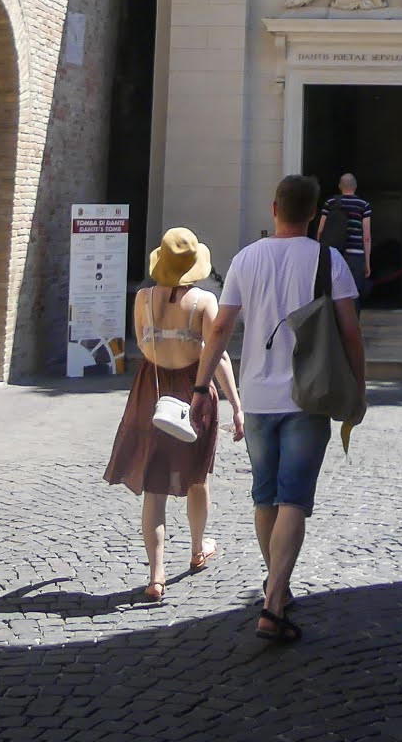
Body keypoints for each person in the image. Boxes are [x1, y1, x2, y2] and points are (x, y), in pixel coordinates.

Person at [193, 174, 365, 643]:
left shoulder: (247, 258)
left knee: (265, 495)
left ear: (274, 208)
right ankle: (273, 602)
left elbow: (221, 329)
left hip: (257, 398)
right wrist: (359, 385)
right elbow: (350, 331)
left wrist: (200, 386)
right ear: (313, 215)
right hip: (309, 396)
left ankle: (277, 587)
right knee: (294, 499)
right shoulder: (328, 260)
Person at [104, 227, 242, 601]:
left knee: (155, 483)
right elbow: (220, 357)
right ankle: (198, 549)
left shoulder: (142, 298)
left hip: (152, 389)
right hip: (193, 387)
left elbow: (142, 341)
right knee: (198, 477)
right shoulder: (204, 302)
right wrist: (237, 405)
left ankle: (156, 575)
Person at [319, 174, 373, 303]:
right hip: (356, 256)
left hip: (333, 253)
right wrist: (367, 263)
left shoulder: (330, 203)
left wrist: (320, 254)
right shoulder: (363, 205)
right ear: (355, 187)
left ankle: (334, 323)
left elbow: (321, 230)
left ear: (339, 186)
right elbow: (366, 236)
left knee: (331, 294)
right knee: (353, 295)